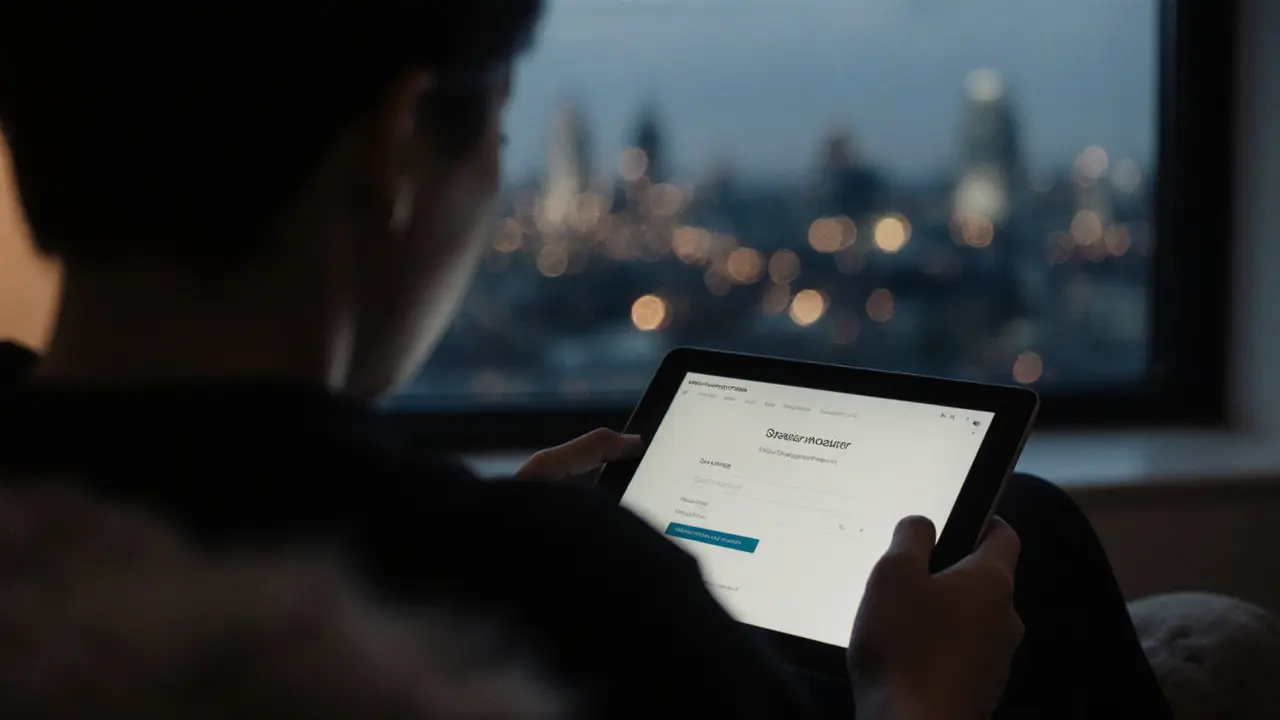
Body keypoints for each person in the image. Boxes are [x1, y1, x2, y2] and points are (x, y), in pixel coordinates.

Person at [0, 3, 1170, 718]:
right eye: (498, 137)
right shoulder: (586, 605)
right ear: (397, 144)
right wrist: (914, 701)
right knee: (1031, 531)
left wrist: (472, 536)